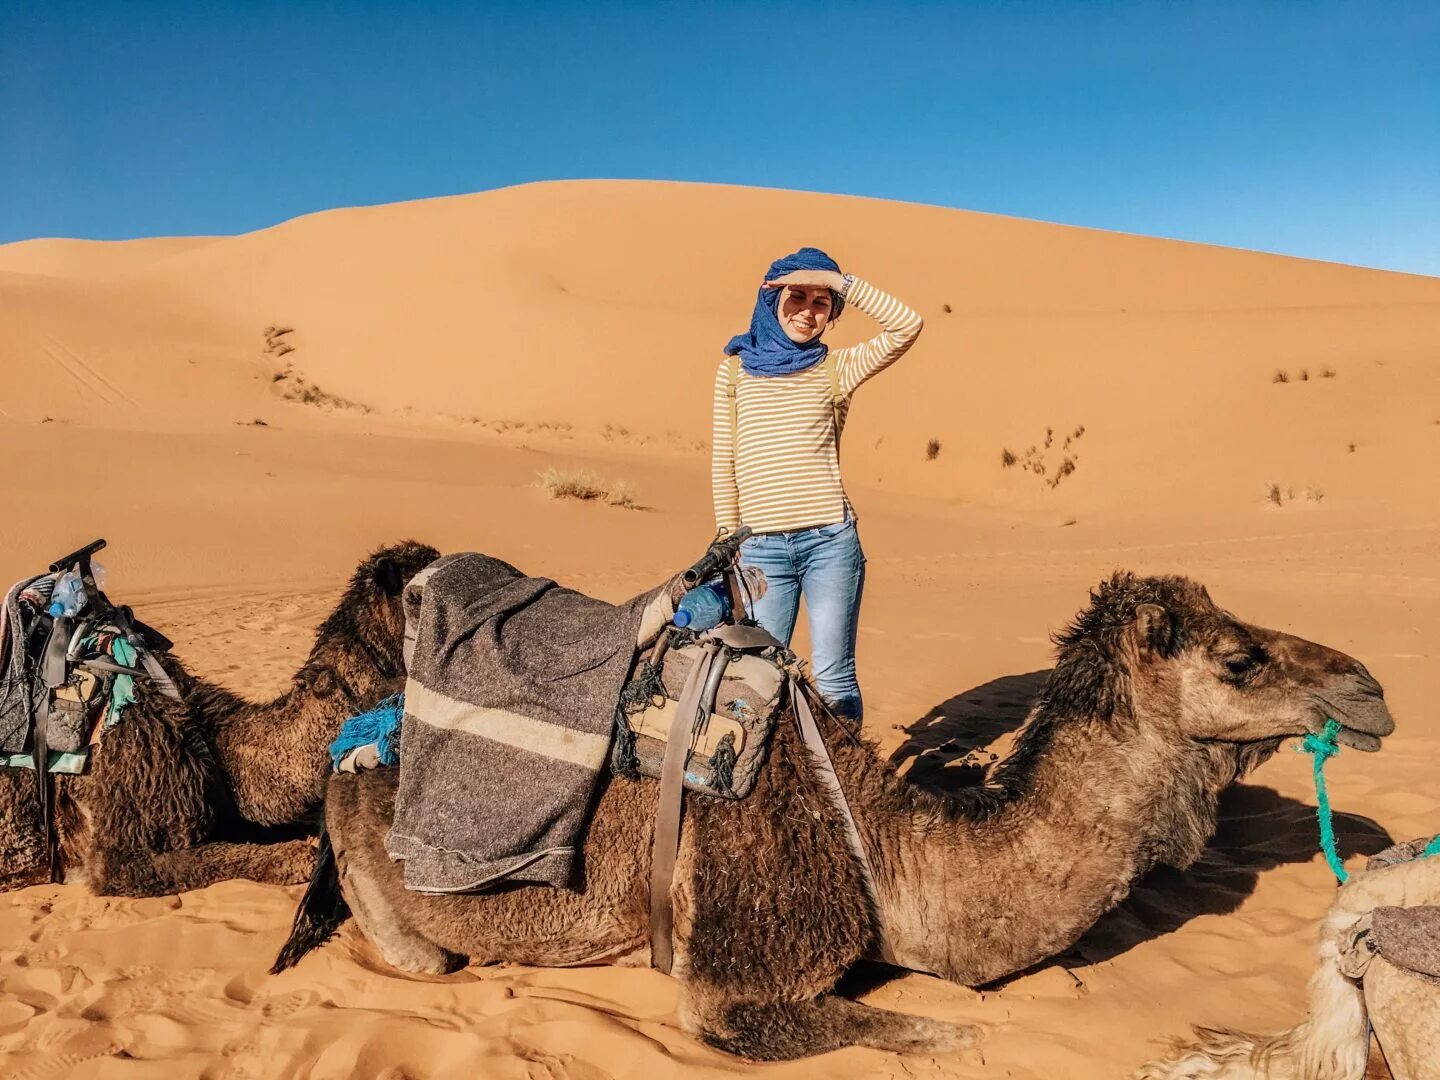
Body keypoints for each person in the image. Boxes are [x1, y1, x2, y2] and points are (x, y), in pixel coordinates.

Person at [712, 247, 923, 722]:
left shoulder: (837, 368)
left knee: (834, 679)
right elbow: (724, 460)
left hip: (830, 543)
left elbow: (907, 325)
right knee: (757, 675)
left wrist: (840, 280)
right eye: (797, 296)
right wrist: (728, 539)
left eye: (821, 303)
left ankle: (844, 787)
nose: (808, 312)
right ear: (771, 301)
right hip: (760, 550)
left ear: (832, 314)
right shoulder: (733, 372)